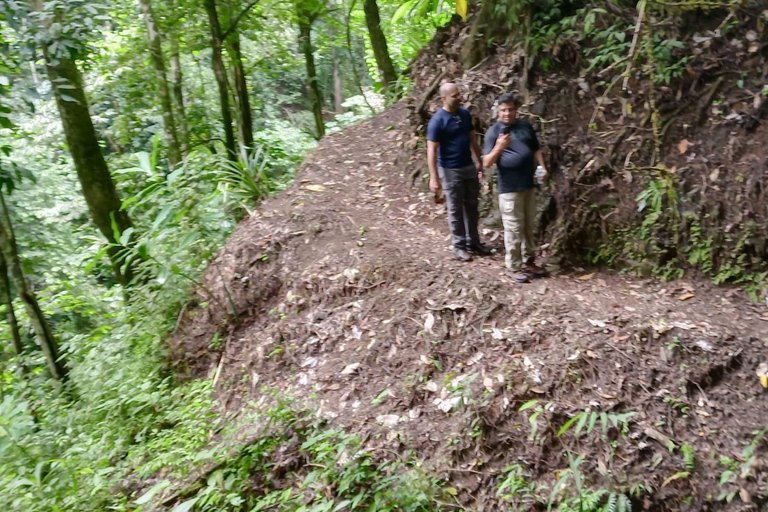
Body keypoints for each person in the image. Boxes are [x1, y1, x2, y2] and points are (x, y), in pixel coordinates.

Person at [483, 92, 548, 283]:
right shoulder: (493, 133)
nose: (507, 113)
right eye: (503, 110)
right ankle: (513, 266)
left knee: (528, 225)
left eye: (510, 109)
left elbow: (536, 148)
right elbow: (486, 162)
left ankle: (529, 261)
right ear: (498, 111)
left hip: (528, 184)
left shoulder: (524, 126)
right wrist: (499, 147)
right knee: (513, 228)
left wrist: (542, 167)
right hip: (509, 188)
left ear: (516, 110)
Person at [427, 83, 491, 262]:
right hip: (449, 169)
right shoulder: (437, 121)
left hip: (468, 166)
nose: (459, 98)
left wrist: (479, 161)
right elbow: (431, 150)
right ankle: (459, 246)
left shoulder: (464, 114)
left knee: (472, 205)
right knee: (455, 208)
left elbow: (472, 139)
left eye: (459, 94)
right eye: (454, 95)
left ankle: (474, 242)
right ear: (444, 98)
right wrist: (434, 178)